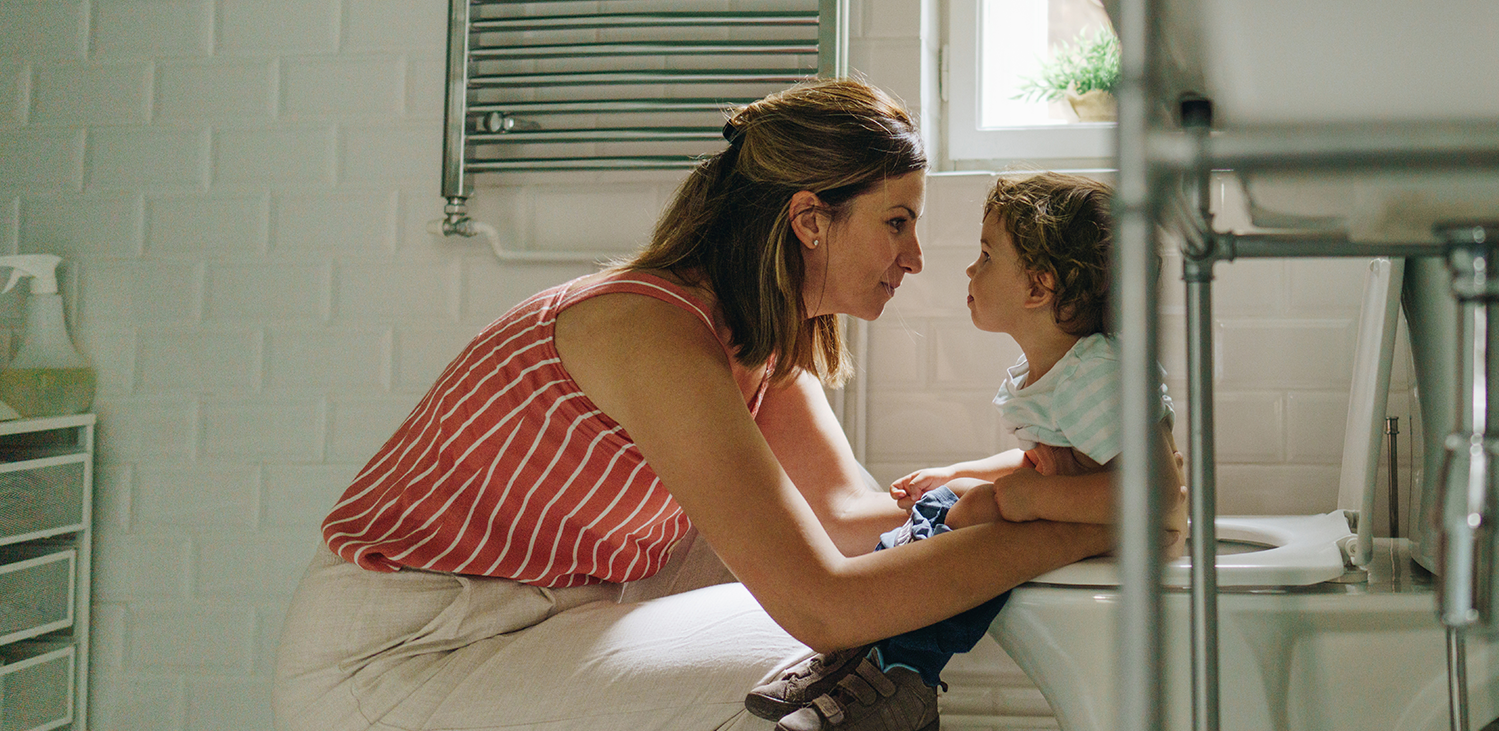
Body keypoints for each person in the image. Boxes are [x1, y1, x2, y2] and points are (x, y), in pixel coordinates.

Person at [271, 79, 1123, 731]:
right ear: (809, 220)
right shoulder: (650, 332)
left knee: (865, 617)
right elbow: (825, 601)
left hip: (548, 614)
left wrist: (1051, 476)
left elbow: (854, 523)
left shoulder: (757, 340)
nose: (914, 259)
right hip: (403, 651)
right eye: (896, 222)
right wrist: (1081, 526)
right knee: (830, 653)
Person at [742, 172, 1183, 731]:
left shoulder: (1097, 374)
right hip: (1088, 514)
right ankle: (866, 650)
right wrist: (961, 471)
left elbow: (1161, 493)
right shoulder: (1062, 369)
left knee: (966, 513)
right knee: (944, 502)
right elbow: (1051, 458)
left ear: (1037, 289)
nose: (971, 270)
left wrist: (1027, 499)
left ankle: (900, 673)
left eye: (986, 255)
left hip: (1125, 533)